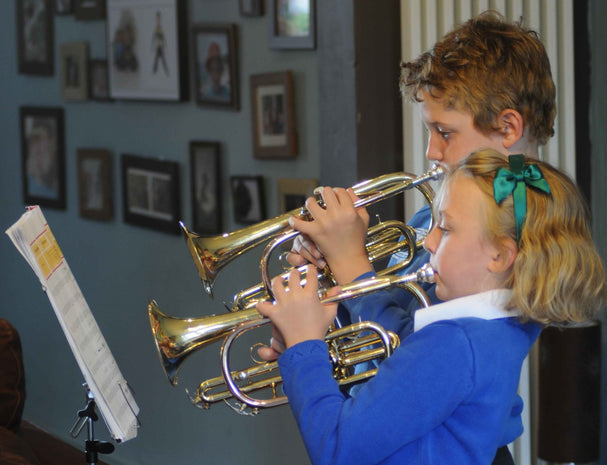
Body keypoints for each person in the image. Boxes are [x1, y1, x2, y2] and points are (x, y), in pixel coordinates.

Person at [257, 150, 606, 465]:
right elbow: (402, 357)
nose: (429, 240)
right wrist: (306, 344)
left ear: (500, 256)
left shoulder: (454, 344)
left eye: (446, 228)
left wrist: (304, 348)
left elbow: (336, 450)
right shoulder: (503, 328)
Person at [259, 10, 558, 358]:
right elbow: (378, 322)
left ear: (508, 128)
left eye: (444, 132)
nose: (432, 151)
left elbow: (415, 361)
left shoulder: (512, 238)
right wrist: (316, 310)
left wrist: (351, 263)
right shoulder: (434, 217)